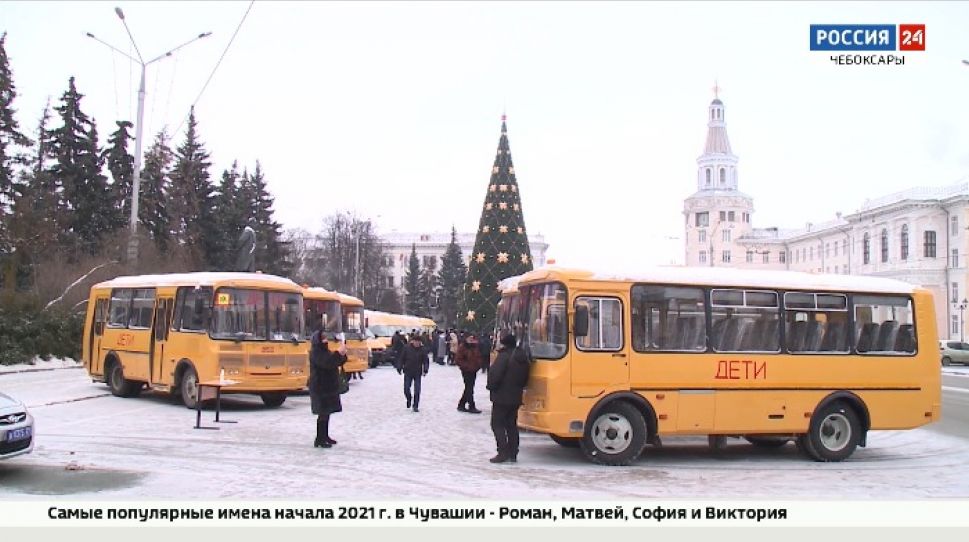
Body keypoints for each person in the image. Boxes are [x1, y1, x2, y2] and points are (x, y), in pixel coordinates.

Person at [486, 333, 530, 463]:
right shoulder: (523, 357)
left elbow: (495, 375)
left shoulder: (504, 357)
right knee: (511, 425)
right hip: (515, 396)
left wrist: (491, 387)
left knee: (497, 424)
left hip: (501, 396)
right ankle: (513, 452)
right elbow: (525, 378)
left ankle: (503, 452)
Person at [308, 330, 348, 448]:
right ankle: (320, 439)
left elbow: (335, 361)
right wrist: (338, 354)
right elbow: (327, 363)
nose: (326, 341)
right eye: (323, 339)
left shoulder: (324, 351)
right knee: (323, 414)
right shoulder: (316, 352)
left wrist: (342, 354)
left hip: (327, 387)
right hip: (320, 387)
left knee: (326, 413)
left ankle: (324, 436)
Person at [396, 334, 429, 412]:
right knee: (406, 388)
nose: (417, 343)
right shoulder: (406, 348)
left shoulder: (423, 349)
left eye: (418, 342)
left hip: (417, 372)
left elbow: (425, 361)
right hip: (408, 371)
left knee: (417, 390)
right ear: (412, 341)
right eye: (416, 341)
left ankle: (415, 405)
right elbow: (401, 358)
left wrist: (425, 370)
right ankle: (409, 399)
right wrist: (399, 367)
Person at [455, 334, 483, 413]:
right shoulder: (463, 347)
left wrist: (478, 365)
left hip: (474, 370)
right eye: (469, 338)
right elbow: (458, 359)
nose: (471, 340)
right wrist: (466, 367)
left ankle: (461, 404)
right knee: (469, 388)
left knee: (469, 388)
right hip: (466, 371)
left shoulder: (475, 347)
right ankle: (471, 406)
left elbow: (478, 357)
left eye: (472, 338)